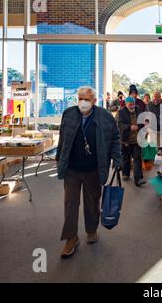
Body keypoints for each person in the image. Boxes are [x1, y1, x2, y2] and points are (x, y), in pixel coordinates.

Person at [56, 86, 121, 259]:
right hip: (72, 169)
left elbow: (115, 139)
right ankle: (71, 238)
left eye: (86, 99)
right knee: (70, 205)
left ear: (94, 100)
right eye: (80, 98)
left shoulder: (106, 116)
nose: (82, 102)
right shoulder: (69, 114)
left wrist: (118, 159)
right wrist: (59, 158)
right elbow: (63, 137)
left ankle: (91, 230)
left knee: (92, 204)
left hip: (94, 169)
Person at [118, 97, 146, 187]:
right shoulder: (121, 112)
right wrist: (129, 127)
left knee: (137, 159)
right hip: (125, 140)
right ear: (126, 104)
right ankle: (125, 174)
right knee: (126, 158)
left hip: (137, 140)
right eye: (130, 104)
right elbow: (120, 125)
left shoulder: (138, 110)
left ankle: (138, 179)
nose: (132, 106)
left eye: (133, 104)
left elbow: (142, 122)